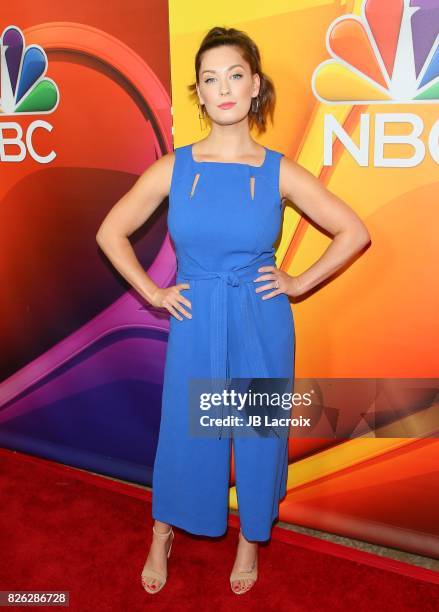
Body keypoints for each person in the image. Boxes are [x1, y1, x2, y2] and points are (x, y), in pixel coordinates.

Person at [96, 26, 371, 596]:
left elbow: (353, 231)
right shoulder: (174, 168)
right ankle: (161, 530)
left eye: (235, 75)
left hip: (259, 318)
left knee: (256, 432)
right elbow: (110, 232)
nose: (223, 88)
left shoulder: (278, 170)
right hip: (196, 318)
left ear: (255, 87)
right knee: (184, 431)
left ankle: (250, 539)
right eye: (210, 79)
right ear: (199, 92)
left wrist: (298, 282)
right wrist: (153, 292)